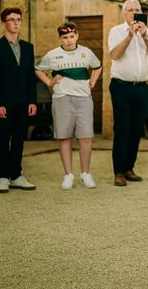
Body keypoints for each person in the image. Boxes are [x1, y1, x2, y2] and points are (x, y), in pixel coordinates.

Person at [35, 22, 102, 189]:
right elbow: (37, 69)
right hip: (62, 98)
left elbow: (98, 66)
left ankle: (85, 173)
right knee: (64, 136)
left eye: (72, 36)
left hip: (83, 99)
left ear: (77, 36)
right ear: (60, 38)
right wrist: (49, 82)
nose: (69, 40)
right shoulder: (53, 54)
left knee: (86, 137)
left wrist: (92, 82)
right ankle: (68, 175)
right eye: (65, 37)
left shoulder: (86, 52)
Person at [108, 0, 148, 187]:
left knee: (136, 129)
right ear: (124, 14)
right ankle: (119, 171)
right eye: (130, 10)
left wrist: (145, 36)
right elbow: (114, 55)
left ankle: (129, 167)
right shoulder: (116, 31)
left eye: (137, 10)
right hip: (121, 86)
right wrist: (130, 36)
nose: (134, 13)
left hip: (141, 87)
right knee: (122, 129)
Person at [0, 7, 37, 193]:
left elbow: (31, 77)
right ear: (4, 22)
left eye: (18, 19)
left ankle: (16, 175)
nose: (16, 23)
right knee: (3, 138)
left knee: (18, 140)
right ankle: (3, 177)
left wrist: (32, 100)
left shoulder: (28, 48)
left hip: (24, 102)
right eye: (11, 19)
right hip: (5, 104)